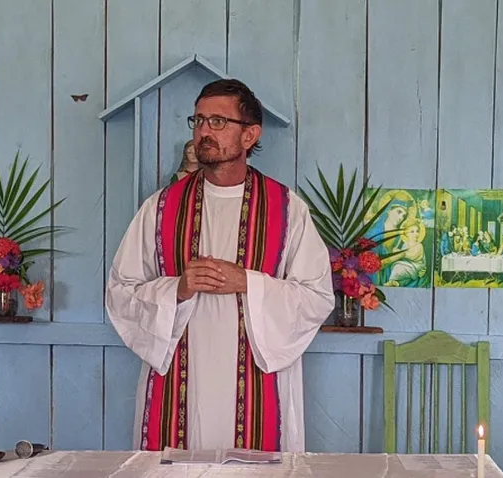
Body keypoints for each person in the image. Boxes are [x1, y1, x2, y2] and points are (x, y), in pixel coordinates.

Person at [105, 79, 334, 453]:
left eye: (217, 122)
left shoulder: (286, 209)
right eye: (198, 121)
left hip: (258, 386)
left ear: (250, 135)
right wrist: (177, 289)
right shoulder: (160, 208)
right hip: (180, 384)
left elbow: (316, 296)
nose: (203, 132)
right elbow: (120, 292)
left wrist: (248, 282)